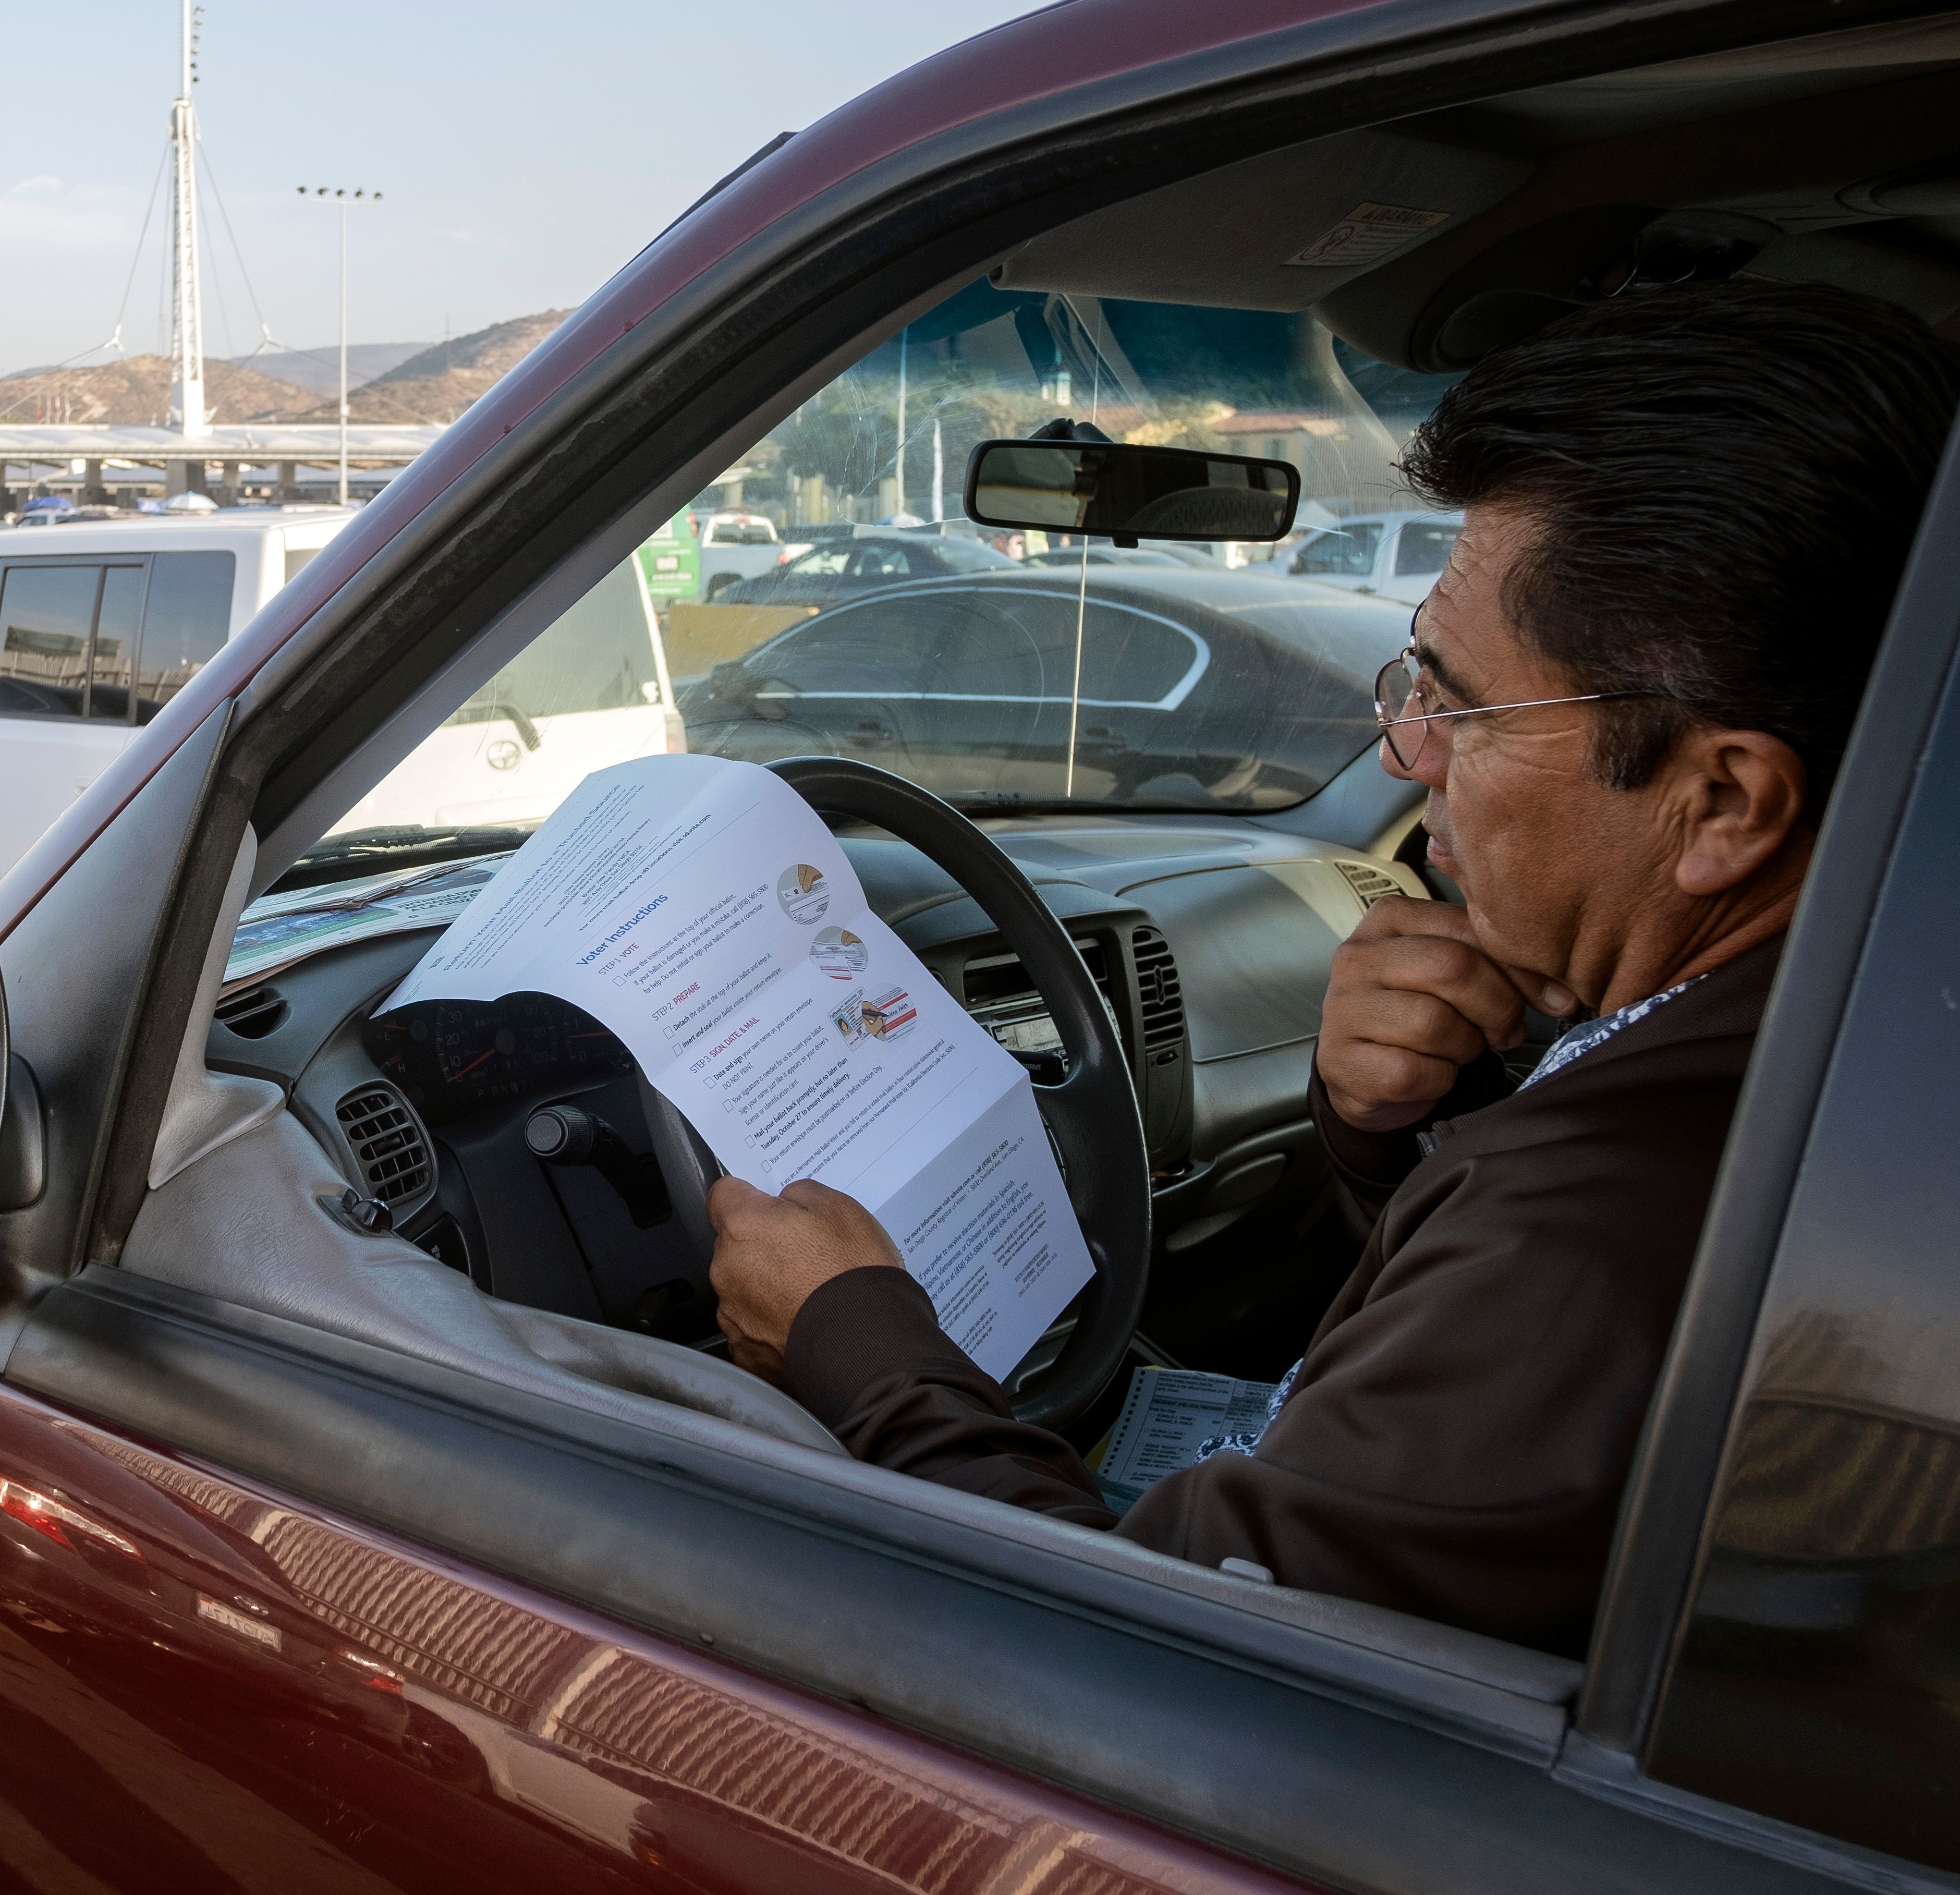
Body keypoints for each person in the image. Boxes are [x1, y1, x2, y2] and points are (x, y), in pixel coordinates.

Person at [704, 282, 1960, 1655]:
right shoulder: (1836, 1046)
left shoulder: (1590, 1241)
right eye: (1407, 681)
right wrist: (1408, 1139)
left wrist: (856, 1342)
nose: (1401, 758)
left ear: (1722, 805)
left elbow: (1134, 1674)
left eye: (1460, 707)